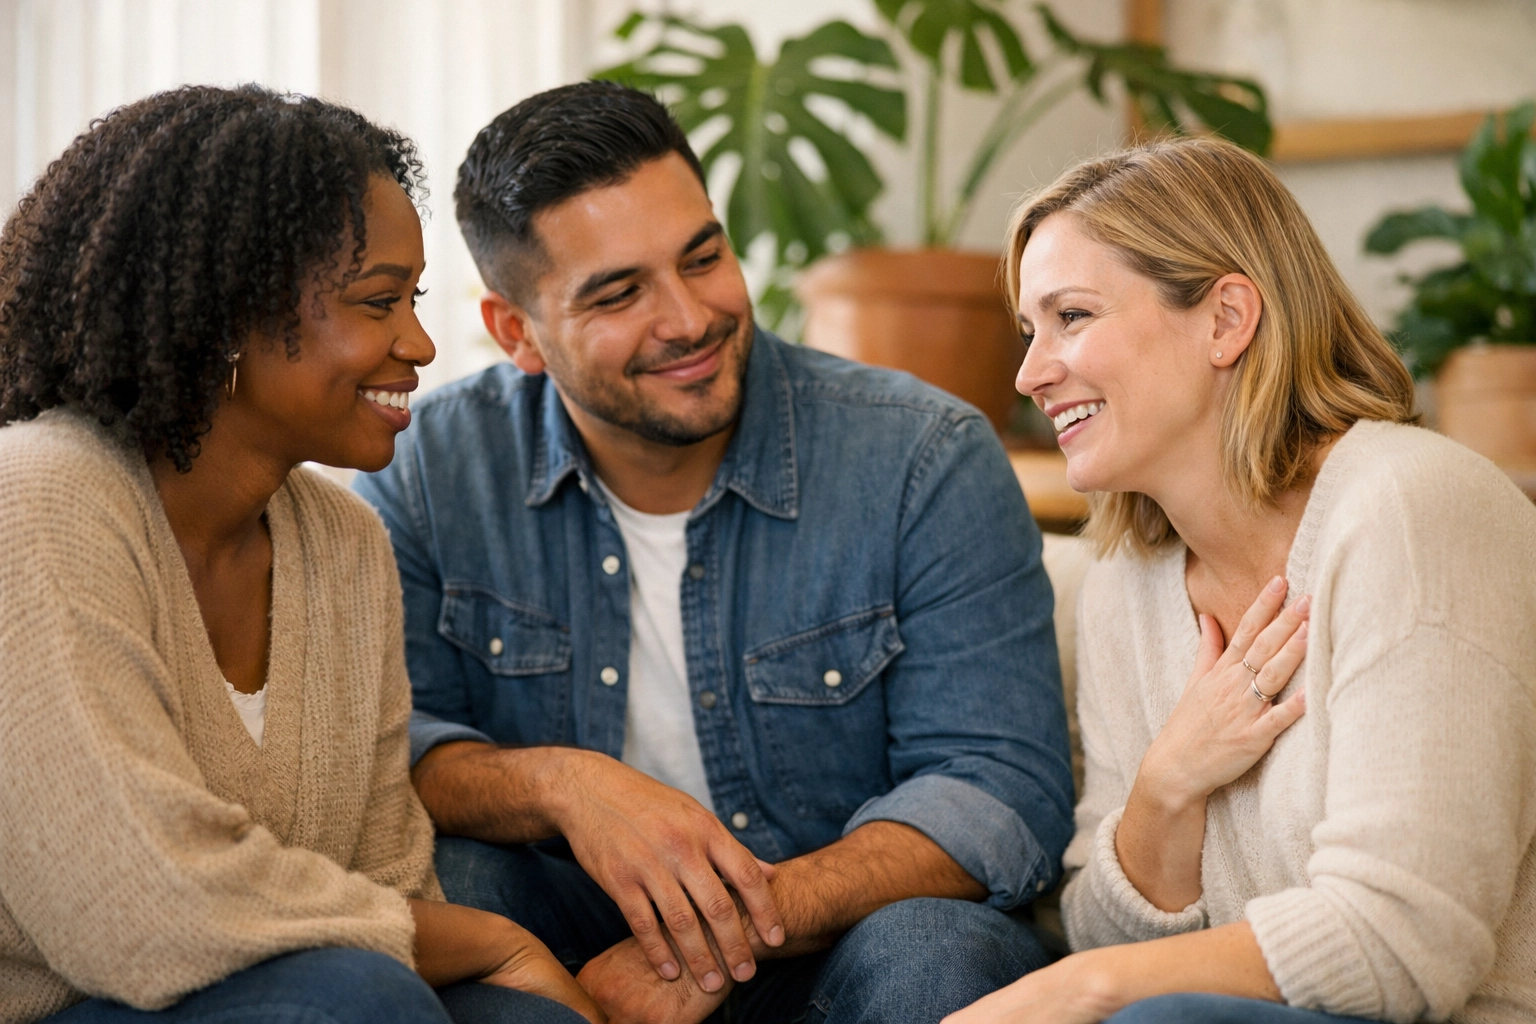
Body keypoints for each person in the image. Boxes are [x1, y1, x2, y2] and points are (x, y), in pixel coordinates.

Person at [351, 80, 1074, 1024]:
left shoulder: (922, 457)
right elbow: (391, 748)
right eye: (620, 293)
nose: (690, 318)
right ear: (516, 333)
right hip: (572, 939)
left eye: (703, 258)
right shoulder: (430, 470)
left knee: (942, 950)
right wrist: (564, 786)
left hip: (840, 936)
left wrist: (724, 933)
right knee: (456, 885)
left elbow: (997, 787)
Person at [0, 85, 603, 1024]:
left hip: (315, 986)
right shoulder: (39, 498)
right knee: (354, 995)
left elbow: (386, 880)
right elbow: (137, 910)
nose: (419, 343)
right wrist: (500, 939)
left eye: (413, 300)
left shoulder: (344, 544)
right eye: (378, 302)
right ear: (223, 316)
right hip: (72, 1002)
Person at [945, 137, 1536, 1024]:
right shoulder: (1126, 581)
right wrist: (1165, 788)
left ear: (1226, 319)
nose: (1030, 374)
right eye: (1031, 331)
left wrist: (1077, 987)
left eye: (1072, 316)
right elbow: (1100, 930)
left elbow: (1406, 942)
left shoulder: (1413, 511)